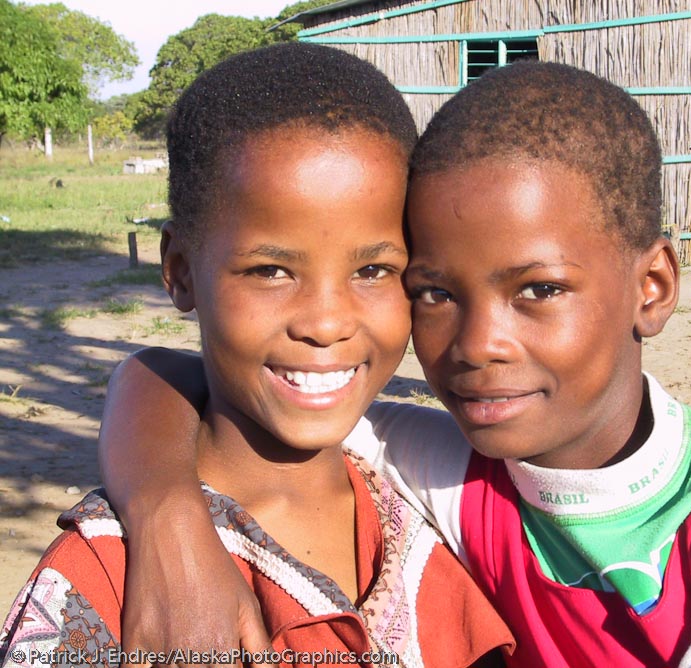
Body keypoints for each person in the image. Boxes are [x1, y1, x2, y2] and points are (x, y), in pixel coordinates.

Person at [58, 63, 691, 666]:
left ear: (653, 286)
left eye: (539, 289)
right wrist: (165, 510)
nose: (479, 343)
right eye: (434, 291)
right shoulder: (451, 467)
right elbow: (190, 379)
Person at [0, 43, 513, 668]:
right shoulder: (109, 581)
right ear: (181, 271)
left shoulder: (428, 502)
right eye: (270, 270)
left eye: (373, 269)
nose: (326, 324)